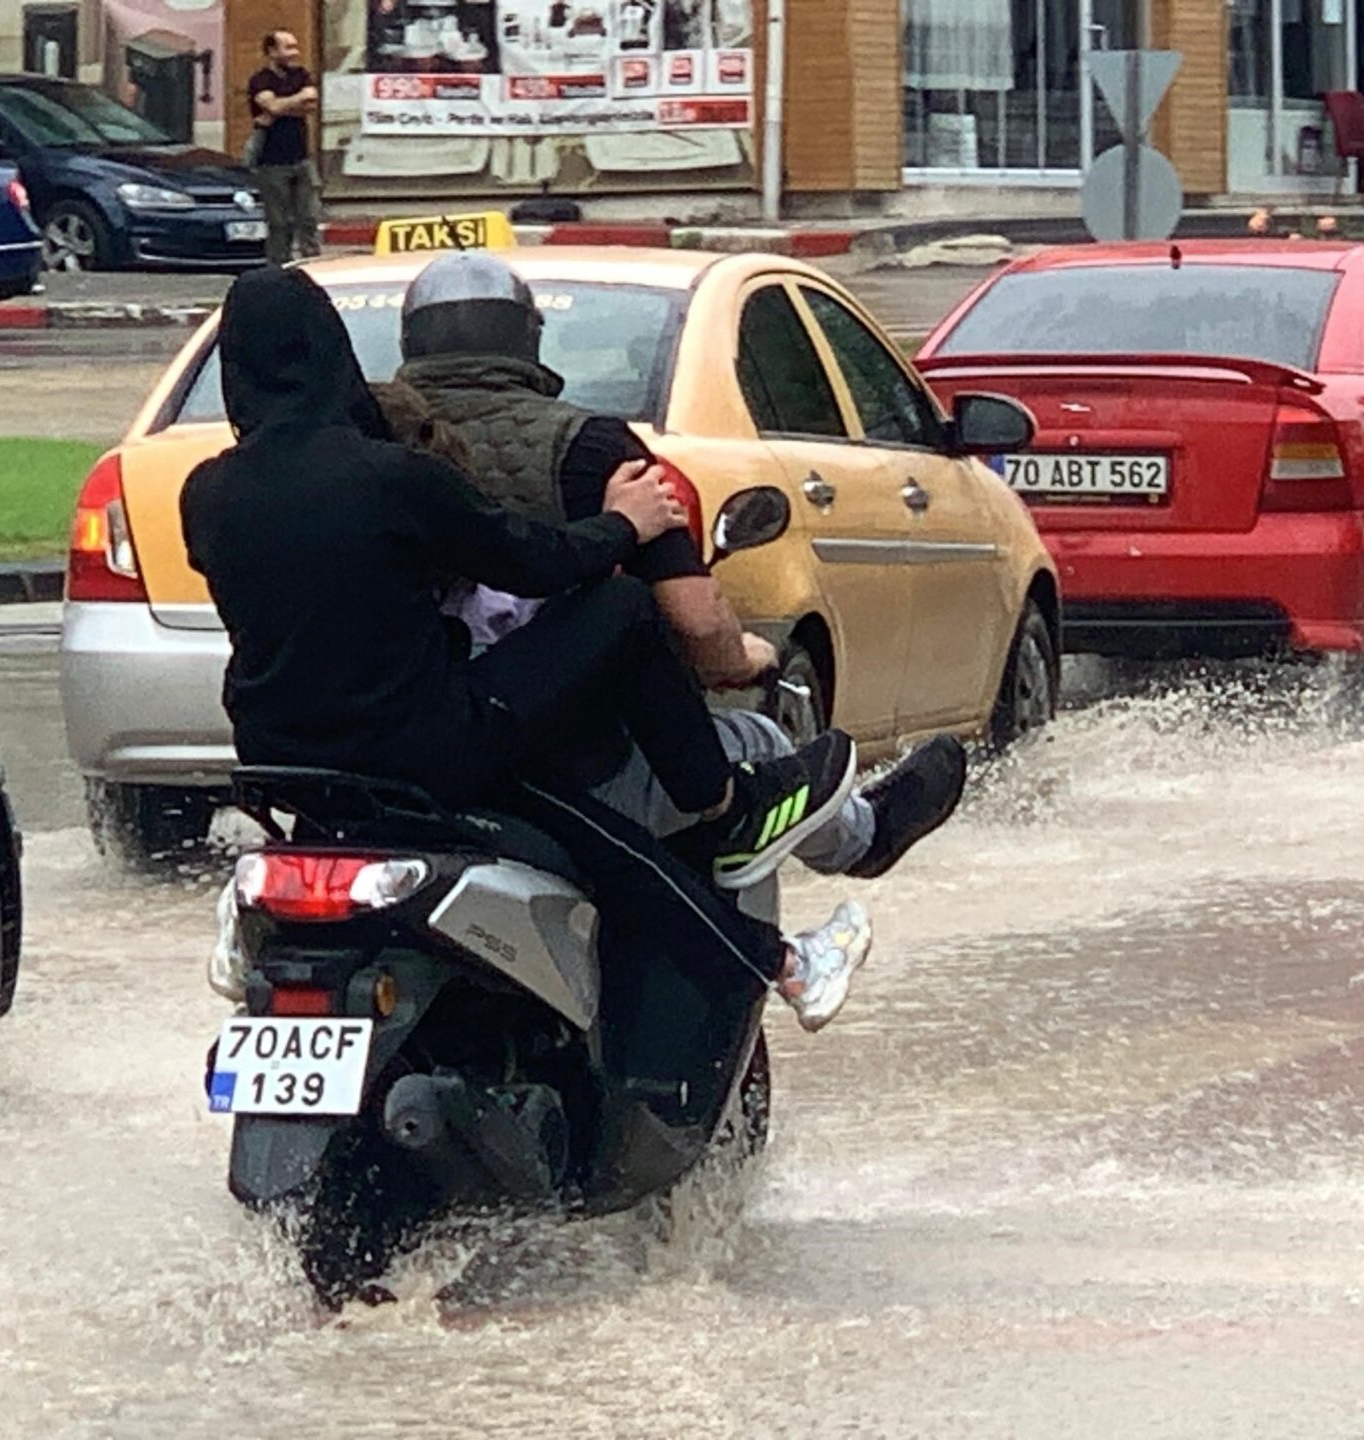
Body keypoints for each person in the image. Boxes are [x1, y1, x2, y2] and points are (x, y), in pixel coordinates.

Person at [184, 266, 873, 1029]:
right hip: (422, 748)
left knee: (590, 836)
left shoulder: (207, 493)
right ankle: (727, 807)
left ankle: (780, 958)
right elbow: (532, 562)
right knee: (618, 613)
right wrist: (626, 524)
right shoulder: (393, 479)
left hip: (283, 760)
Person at [387, 251, 972, 881]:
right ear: (528, 340)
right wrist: (742, 657)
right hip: (568, 764)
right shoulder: (595, 452)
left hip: (386, 764)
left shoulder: (363, 450)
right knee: (759, 742)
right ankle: (863, 843)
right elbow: (695, 622)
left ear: (410, 343)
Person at [245, 31, 323, 265]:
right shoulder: (260, 79)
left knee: (308, 216)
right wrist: (289, 104)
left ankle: (313, 264)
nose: (295, 52)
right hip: (271, 161)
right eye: (288, 47)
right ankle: (279, 267)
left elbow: (309, 103)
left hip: (301, 157)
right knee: (280, 222)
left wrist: (279, 108)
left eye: (295, 46)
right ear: (271, 51)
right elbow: (273, 105)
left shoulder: (300, 74)